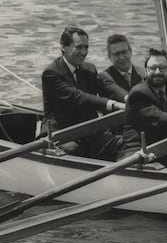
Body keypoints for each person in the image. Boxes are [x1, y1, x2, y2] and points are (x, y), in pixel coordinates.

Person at [41, 26, 125, 161]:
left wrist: (128, 97)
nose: (84, 52)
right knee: (74, 151)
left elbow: (106, 87)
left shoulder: (89, 68)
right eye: (79, 47)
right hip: (61, 134)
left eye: (86, 47)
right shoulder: (51, 73)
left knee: (123, 143)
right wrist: (114, 105)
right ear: (64, 47)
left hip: (88, 132)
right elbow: (78, 96)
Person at [99, 34, 145, 103]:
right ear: (109, 56)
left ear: (130, 52)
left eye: (124, 52)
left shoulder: (143, 73)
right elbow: (117, 92)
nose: (122, 58)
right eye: (117, 54)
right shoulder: (104, 77)